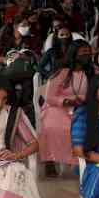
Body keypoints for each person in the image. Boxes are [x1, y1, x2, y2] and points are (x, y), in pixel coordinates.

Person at [38, 40, 95, 176]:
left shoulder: (92, 71)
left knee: (82, 126)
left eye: (88, 53)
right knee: (54, 125)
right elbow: (49, 96)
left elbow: (98, 90)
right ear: (74, 54)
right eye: (83, 53)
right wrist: (66, 101)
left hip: (82, 107)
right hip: (57, 107)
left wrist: (85, 100)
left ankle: (79, 162)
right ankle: (50, 160)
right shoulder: (62, 72)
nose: (87, 55)